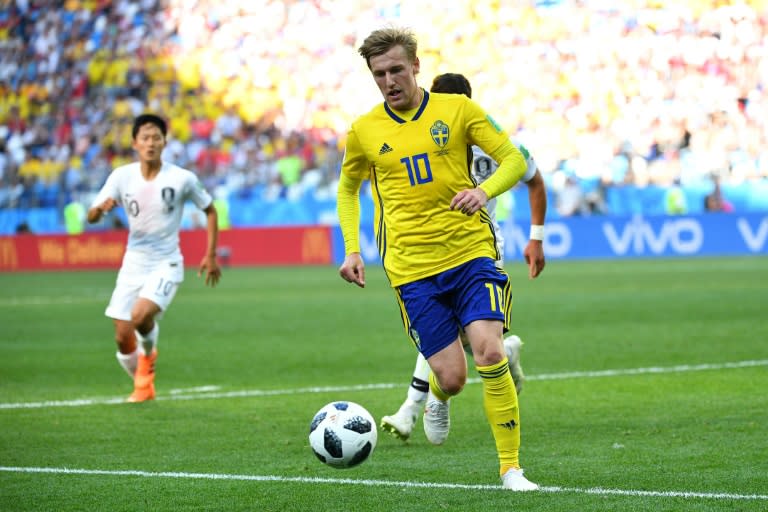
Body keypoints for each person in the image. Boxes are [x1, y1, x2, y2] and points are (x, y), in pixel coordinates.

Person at [337, 27, 546, 491]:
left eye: (396, 69)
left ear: (415, 66)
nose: (389, 81)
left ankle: (511, 468)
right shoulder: (365, 131)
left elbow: (513, 160)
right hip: (412, 270)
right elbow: (348, 188)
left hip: (471, 253)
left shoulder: (458, 110)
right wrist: (352, 247)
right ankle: (437, 394)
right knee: (452, 378)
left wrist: (483, 190)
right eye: (379, 74)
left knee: (491, 350)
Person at [380, 73, 547, 446]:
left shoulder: (494, 145)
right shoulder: (417, 145)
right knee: (454, 336)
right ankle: (503, 353)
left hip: (479, 251)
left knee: (448, 330)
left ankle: (418, 404)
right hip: (431, 251)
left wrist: (536, 239)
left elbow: (534, 179)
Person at [87, 113, 221, 403]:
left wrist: (210, 255)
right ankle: (144, 384)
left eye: (156, 137)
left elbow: (210, 209)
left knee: (140, 315)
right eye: (145, 138)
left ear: (164, 142)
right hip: (133, 262)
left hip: (167, 262)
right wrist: (100, 211)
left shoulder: (182, 178)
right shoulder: (121, 176)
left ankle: (148, 359)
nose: (151, 143)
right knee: (123, 337)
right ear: (135, 143)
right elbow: (92, 215)